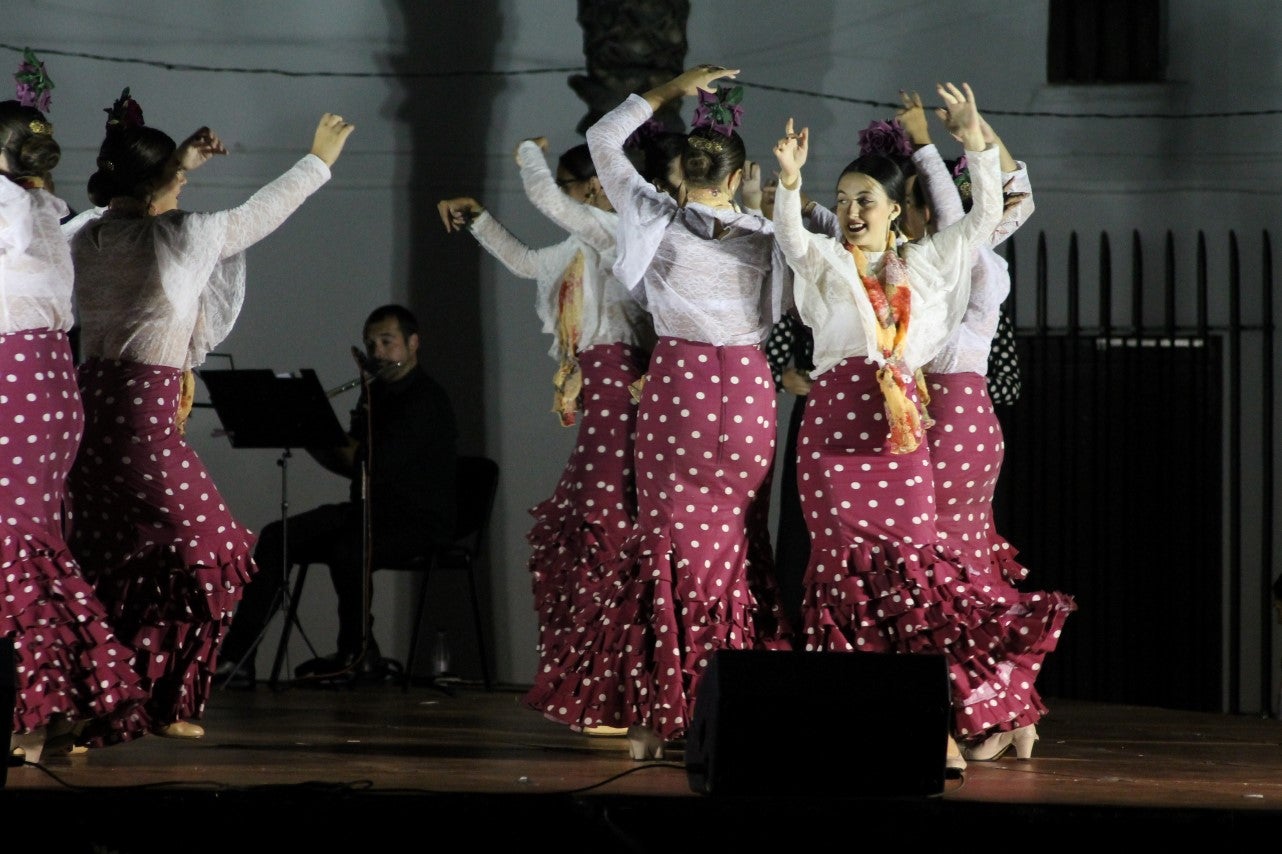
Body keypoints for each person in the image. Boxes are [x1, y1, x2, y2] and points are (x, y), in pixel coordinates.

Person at [65, 88, 353, 742]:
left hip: (89, 422)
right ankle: (149, 697)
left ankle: (109, 705)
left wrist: (178, 164)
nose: (185, 191)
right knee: (218, 552)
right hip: (140, 426)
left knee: (113, 562)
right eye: (179, 180)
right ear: (162, 184)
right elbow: (260, 213)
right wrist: (317, 160)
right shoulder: (178, 235)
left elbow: (111, 206)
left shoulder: (85, 233)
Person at [523, 64, 794, 761]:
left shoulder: (656, 218)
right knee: (736, 545)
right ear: (735, 179)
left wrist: (672, 90)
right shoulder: (765, 231)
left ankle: (658, 716)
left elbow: (603, 138)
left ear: (679, 177)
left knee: (668, 545)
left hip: (685, 388)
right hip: (750, 391)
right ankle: (735, 707)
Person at [772, 81, 1035, 774]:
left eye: (867, 201)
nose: (854, 211)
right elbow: (795, 240)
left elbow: (981, 218)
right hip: (833, 422)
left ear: (897, 211)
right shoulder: (828, 261)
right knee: (838, 575)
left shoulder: (924, 262)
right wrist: (790, 182)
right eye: (845, 198)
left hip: (901, 426)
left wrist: (974, 140)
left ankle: (933, 726)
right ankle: (845, 723)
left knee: (914, 578)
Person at [438, 137, 653, 730]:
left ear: (593, 190)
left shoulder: (620, 238)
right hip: (603, 405)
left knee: (608, 534)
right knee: (592, 538)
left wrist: (528, 153)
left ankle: (619, 692)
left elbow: (540, 196)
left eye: (565, 186)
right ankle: (603, 690)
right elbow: (530, 262)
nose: (557, 197)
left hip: (627, 401)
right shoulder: (584, 246)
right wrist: (480, 219)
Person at [894, 90, 1076, 761]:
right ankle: (1016, 709)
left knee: (944, 575)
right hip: (975, 420)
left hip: (943, 417)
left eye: (910, 203)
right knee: (970, 566)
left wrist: (925, 143)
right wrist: (975, 130)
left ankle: (992, 709)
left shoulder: (950, 251)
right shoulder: (990, 247)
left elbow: (964, 204)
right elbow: (1015, 191)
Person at [0, 54, 147, 763]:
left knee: (15, 551)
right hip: (53, 383)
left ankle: (31, 713)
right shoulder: (45, 212)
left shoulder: (16, 208)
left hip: (17, 382)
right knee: (38, 545)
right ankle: (57, 704)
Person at [216, 304, 458, 686]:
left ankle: (357, 654)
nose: (377, 353)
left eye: (387, 341)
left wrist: (312, 422)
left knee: (349, 548)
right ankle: (237, 659)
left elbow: (368, 463)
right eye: (370, 344)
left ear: (413, 344)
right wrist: (303, 430)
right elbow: (350, 465)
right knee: (276, 536)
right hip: (369, 511)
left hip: (416, 519)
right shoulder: (376, 395)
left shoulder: (425, 401)